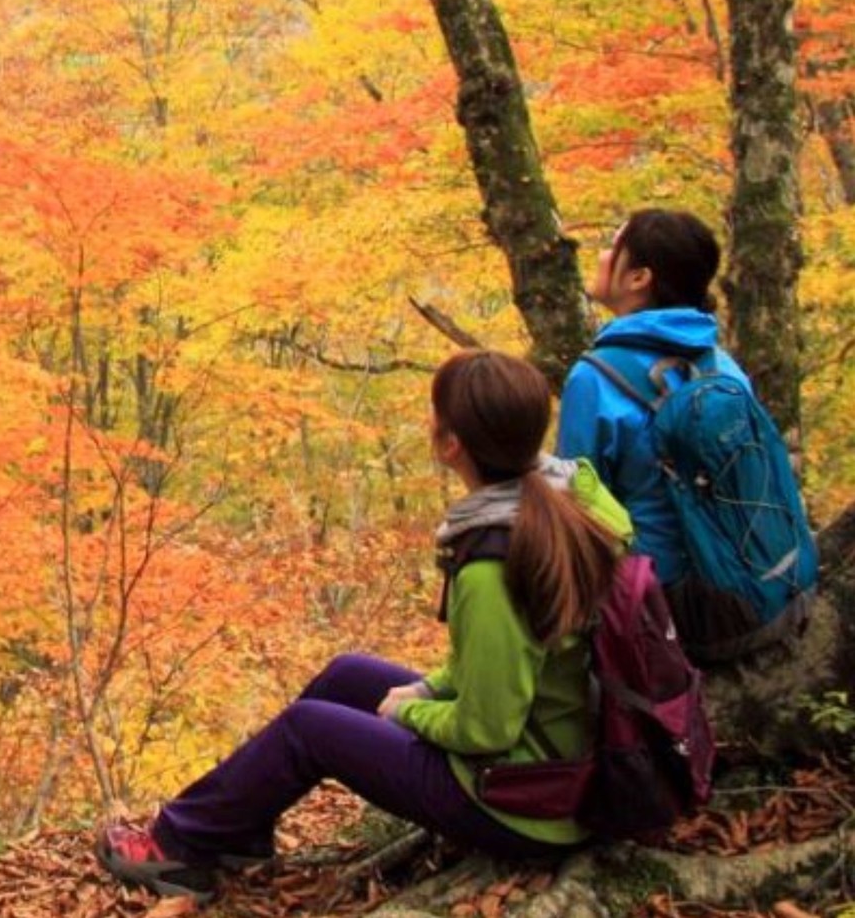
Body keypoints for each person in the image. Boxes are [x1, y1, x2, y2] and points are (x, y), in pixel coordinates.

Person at [96, 351, 631, 901]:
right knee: (346, 675)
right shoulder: (569, 502)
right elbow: (515, 658)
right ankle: (234, 827)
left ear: (451, 446)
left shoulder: (495, 567)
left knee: (310, 727)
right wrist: (428, 686)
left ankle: (177, 852)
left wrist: (411, 710)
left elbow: (487, 730)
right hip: (554, 759)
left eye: (434, 414)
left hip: (522, 801)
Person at [555, 208, 750, 600]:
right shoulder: (724, 367)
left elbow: (573, 506)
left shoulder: (595, 377)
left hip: (651, 601)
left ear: (639, 278)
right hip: (739, 578)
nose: (602, 256)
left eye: (614, 247)